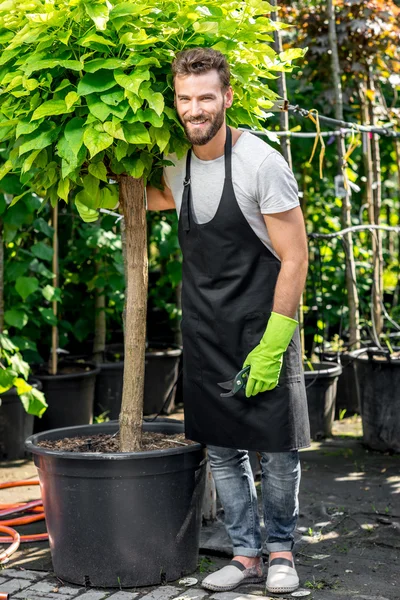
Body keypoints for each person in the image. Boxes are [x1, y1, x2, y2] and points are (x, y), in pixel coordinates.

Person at [146, 47, 310, 595]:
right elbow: (141, 198)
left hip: (264, 328)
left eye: (206, 97)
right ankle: (245, 555)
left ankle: (282, 549)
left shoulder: (263, 164)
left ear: (228, 97)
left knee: (278, 449)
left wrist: (274, 345)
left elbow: (295, 256)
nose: (194, 109)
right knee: (221, 448)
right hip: (207, 330)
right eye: (185, 98)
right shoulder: (178, 165)